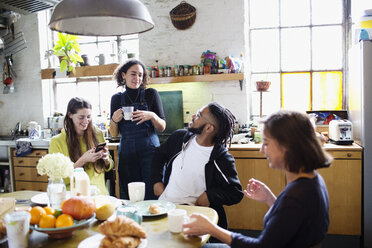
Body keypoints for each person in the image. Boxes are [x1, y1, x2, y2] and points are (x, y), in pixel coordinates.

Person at [183, 110, 333, 248]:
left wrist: (211, 229)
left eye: (266, 143)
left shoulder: (297, 195)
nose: (261, 149)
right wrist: (269, 199)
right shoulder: (311, 181)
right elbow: (289, 223)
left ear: (287, 147)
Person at [151, 102, 244, 229]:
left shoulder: (221, 159)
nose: (194, 115)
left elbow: (236, 192)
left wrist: (210, 196)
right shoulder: (179, 137)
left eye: (199, 115)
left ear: (209, 128)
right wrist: (156, 181)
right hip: (164, 208)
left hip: (193, 215)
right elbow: (158, 155)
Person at [110, 59, 166, 200]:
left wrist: (152, 115)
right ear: (123, 75)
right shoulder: (116, 99)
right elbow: (114, 134)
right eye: (133, 74)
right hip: (127, 153)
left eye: (140, 75)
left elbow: (162, 127)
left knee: (152, 193)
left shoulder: (151, 94)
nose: (137, 78)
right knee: (130, 194)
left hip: (150, 152)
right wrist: (114, 120)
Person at [49, 97, 114, 195]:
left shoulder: (98, 134)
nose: (86, 121)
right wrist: (82, 161)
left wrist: (106, 160)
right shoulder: (57, 141)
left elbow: (109, 166)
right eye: (81, 117)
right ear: (70, 115)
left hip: (100, 194)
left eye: (88, 116)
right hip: (74, 195)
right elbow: (57, 178)